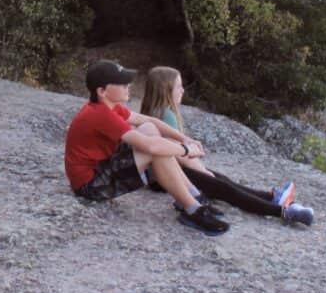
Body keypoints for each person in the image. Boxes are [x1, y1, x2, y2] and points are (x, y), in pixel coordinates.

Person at [64, 60, 230, 235]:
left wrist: (184, 138)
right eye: (121, 83)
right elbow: (150, 146)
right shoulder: (100, 114)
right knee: (154, 151)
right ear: (102, 91)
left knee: (150, 130)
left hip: (102, 167)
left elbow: (150, 121)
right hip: (91, 185)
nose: (128, 85)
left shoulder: (110, 108)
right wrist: (187, 150)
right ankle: (192, 209)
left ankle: (192, 196)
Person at [140, 66, 316, 226]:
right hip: (168, 177)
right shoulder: (166, 114)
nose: (183, 90)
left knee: (223, 182)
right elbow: (179, 155)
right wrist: (203, 172)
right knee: (225, 188)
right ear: (166, 90)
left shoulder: (155, 112)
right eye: (178, 86)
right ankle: (282, 211)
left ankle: (273, 198)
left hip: (161, 176)